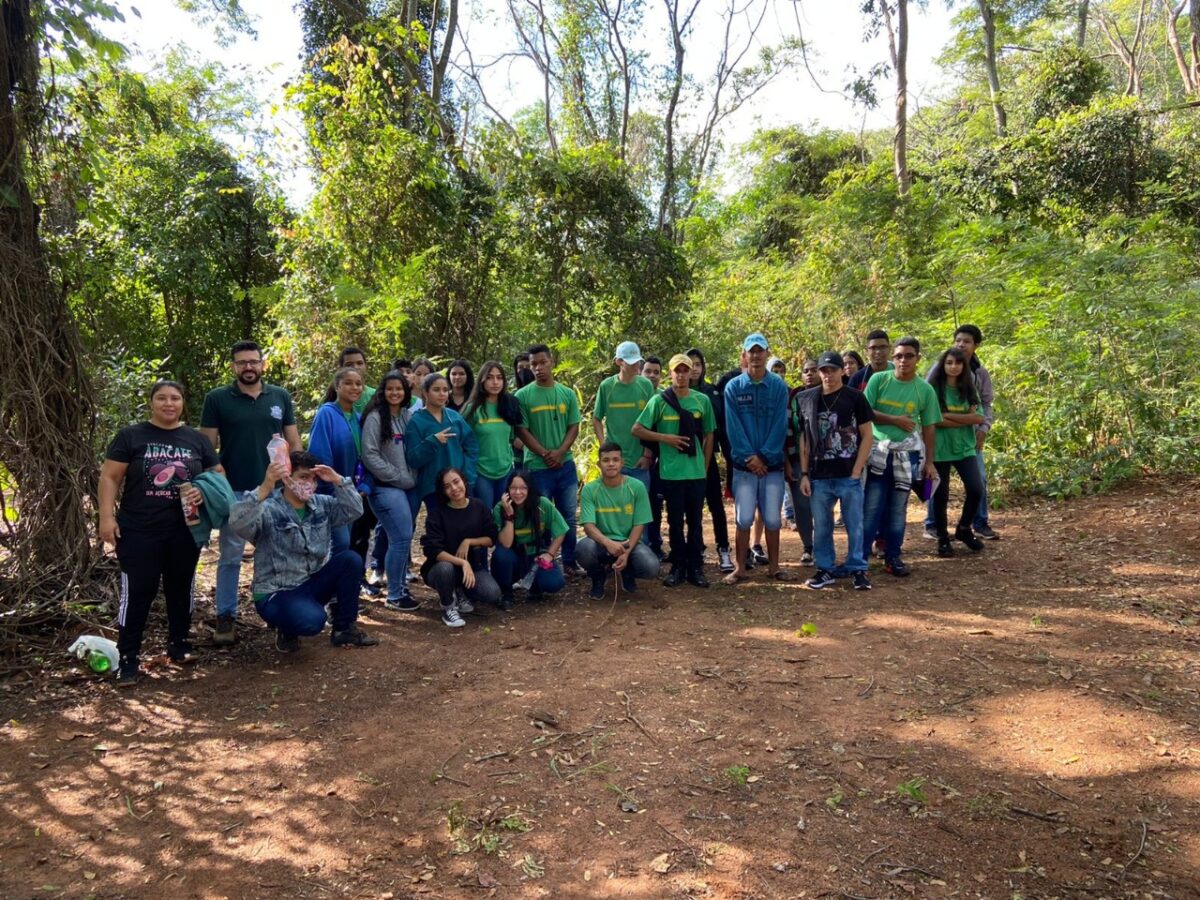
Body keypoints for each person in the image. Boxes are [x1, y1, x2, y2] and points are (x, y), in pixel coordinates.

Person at [99, 380, 225, 686]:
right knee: (138, 591)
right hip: (139, 529)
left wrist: (201, 490)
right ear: (151, 403)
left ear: (183, 403)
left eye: (175, 398)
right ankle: (128, 657)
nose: (169, 404)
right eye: (162, 398)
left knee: (181, 587)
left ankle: (179, 644)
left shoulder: (195, 439)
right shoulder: (132, 435)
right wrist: (106, 518)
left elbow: (217, 475)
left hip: (186, 529)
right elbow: (110, 476)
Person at [199, 340, 301, 646]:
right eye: (242, 362)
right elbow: (206, 447)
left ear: (262, 364)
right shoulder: (217, 399)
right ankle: (225, 617)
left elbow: (293, 441)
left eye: (253, 362)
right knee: (230, 555)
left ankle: (284, 618)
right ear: (233, 366)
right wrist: (219, 480)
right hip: (236, 492)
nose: (248, 367)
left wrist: (295, 477)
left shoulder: (279, 396)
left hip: (276, 490)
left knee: (280, 553)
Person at [228, 451, 378, 651]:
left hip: (310, 584)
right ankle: (286, 627)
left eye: (313, 478)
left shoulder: (321, 504)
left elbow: (354, 511)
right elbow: (238, 523)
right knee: (313, 621)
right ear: (287, 478)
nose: (310, 483)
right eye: (303, 477)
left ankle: (344, 630)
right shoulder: (269, 508)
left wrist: (339, 480)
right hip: (277, 592)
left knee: (351, 560)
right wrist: (265, 487)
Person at [793, 353, 875, 591]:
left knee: (854, 524)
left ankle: (858, 569)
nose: (827, 375)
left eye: (832, 370)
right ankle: (825, 568)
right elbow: (805, 439)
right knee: (822, 525)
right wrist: (805, 473)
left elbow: (867, 435)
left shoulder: (855, 398)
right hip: (819, 475)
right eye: (823, 371)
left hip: (848, 474)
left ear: (842, 371)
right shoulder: (808, 399)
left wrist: (857, 470)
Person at [632, 353, 715, 588]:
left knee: (696, 521)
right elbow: (637, 429)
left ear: (691, 373)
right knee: (675, 521)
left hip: (696, 472)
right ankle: (678, 565)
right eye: (677, 370)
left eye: (685, 370)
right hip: (671, 472)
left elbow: (709, 434)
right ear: (670, 373)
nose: (681, 375)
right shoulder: (659, 401)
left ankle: (695, 566)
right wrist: (664, 438)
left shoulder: (702, 401)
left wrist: (705, 466)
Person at [861, 337, 942, 576]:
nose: (903, 360)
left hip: (907, 456)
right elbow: (864, 412)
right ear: (892, 358)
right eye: (898, 356)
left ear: (918, 358)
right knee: (871, 507)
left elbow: (929, 427)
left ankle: (893, 557)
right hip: (877, 452)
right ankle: (859, 558)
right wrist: (895, 420)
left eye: (908, 356)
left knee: (898, 508)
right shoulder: (879, 380)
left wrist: (929, 462)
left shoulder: (924, 389)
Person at [722, 333, 790, 583]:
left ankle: (774, 568)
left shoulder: (778, 386)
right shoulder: (734, 388)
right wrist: (750, 457)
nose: (756, 355)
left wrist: (765, 456)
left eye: (760, 350)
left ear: (767, 353)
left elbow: (780, 425)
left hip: (772, 467)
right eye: (752, 351)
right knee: (744, 518)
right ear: (745, 354)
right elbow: (733, 427)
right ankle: (739, 568)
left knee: (772, 518)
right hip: (744, 468)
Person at [923, 325, 998, 540]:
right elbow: (930, 410)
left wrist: (983, 427)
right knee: (936, 485)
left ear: (976, 346)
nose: (961, 345)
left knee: (979, 482)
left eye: (966, 341)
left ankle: (978, 523)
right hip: (938, 442)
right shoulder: (937, 371)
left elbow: (985, 406)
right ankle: (932, 525)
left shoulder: (978, 374)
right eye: (958, 340)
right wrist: (960, 420)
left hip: (969, 439)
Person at [515, 344, 583, 575]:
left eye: (542, 362)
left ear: (551, 362)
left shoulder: (567, 393)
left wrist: (561, 451)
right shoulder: (522, 396)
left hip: (565, 465)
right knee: (540, 517)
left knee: (568, 516)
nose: (538, 368)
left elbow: (574, 425)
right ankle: (544, 562)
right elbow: (522, 430)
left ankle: (570, 561)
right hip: (536, 467)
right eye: (534, 364)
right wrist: (545, 453)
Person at [360, 371, 419, 611]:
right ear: (382, 391)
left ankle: (398, 588)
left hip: (407, 487)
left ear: (406, 392)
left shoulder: (406, 416)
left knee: (402, 538)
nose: (395, 393)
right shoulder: (376, 417)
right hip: (385, 488)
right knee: (401, 537)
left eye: (400, 389)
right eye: (390, 388)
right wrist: (398, 477)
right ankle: (395, 594)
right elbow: (369, 455)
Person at [577, 442, 660, 598]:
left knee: (651, 566)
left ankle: (627, 571)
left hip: (628, 543)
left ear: (622, 463)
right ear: (599, 464)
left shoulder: (636, 487)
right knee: (583, 549)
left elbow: (639, 524)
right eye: (606, 460)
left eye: (615, 460)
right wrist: (608, 543)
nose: (611, 464)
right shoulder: (590, 489)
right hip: (601, 544)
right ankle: (598, 576)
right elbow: (588, 526)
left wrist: (626, 553)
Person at [420, 467, 502, 627]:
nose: (454, 488)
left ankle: (460, 590)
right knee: (445, 569)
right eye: (447, 486)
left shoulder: (479, 506)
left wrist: (469, 541)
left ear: (464, 481)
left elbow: (491, 538)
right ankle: (448, 607)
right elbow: (433, 550)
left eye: (456, 482)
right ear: (443, 491)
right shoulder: (437, 514)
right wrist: (463, 563)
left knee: (492, 593)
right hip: (441, 568)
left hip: (472, 568)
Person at [927, 348, 987, 557]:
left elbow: (979, 418)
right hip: (939, 449)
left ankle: (964, 529)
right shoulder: (933, 389)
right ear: (943, 365)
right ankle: (943, 538)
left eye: (958, 363)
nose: (954, 366)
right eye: (949, 362)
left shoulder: (968, 389)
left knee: (976, 488)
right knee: (940, 496)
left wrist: (947, 416)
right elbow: (932, 420)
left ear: (964, 366)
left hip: (965, 448)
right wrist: (962, 418)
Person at [307, 367, 367, 560]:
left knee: (346, 541)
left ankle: (336, 587)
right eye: (348, 383)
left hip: (351, 493)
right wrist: (331, 488)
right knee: (338, 542)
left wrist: (364, 485)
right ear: (337, 386)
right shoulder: (326, 414)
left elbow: (364, 457)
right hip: (331, 494)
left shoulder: (358, 418)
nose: (354, 387)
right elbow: (319, 455)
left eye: (358, 384)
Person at [491, 471, 568, 609]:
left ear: (530, 488)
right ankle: (506, 593)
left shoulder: (542, 504)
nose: (518, 492)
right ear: (507, 490)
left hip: (536, 554)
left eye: (523, 488)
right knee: (501, 556)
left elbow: (561, 530)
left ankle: (535, 586)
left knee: (554, 583)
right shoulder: (500, 508)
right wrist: (509, 516)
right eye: (513, 488)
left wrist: (550, 554)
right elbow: (506, 543)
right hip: (512, 556)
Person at [686, 347, 733, 573]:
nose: (694, 369)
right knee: (692, 508)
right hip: (684, 460)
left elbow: (719, 427)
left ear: (703, 367)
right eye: (690, 364)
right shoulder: (675, 393)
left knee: (716, 506)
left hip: (707, 458)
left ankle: (724, 549)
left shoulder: (712, 393)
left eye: (697, 365)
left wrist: (727, 454)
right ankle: (697, 549)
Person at [406, 373, 479, 515]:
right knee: (440, 528)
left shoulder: (455, 417)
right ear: (425, 392)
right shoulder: (416, 421)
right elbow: (413, 459)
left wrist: (468, 475)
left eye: (445, 390)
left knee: (463, 525)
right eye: (436, 390)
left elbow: (472, 447)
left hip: (459, 485)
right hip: (433, 487)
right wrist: (433, 441)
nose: (442, 394)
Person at [593, 341, 655, 491]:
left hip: (639, 461)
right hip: (614, 462)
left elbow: (653, 421)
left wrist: (647, 455)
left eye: (638, 362)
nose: (636, 366)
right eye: (631, 362)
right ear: (619, 362)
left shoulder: (645, 385)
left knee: (639, 508)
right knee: (615, 507)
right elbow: (596, 419)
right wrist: (604, 447)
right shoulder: (607, 386)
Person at [462, 360, 523, 510]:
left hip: (505, 469)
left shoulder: (508, 405)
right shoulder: (473, 409)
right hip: (481, 472)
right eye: (489, 378)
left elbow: (512, 438)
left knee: (504, 513)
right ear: (482, 380)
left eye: (499, 377)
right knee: (486, 515)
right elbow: (461, 442)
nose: (495, 382)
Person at [781, 358, 821, 565]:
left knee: (822, 505)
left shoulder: (827, 394)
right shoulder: (793, 396)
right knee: (801, 506)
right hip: (796, 458)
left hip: (823, 461)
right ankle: (808, 547)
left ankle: (823, 547)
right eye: (806, 371)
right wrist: (786, 462)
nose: (810, 374)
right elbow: (785, 430)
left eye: (814, 370)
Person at [638, 354, 665, 557]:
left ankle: (655, 544)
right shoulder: (636, 394)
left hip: (663, 460)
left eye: (656, 372)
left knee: (656, 504)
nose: (652, 376)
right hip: (639, 460)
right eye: (648, 371)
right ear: (640, 371)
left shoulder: (666, 397)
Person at [339, 347, 376, 414]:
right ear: (341, 369)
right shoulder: (332, 398)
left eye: (359, 363)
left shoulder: (375, 395)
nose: (355, 367)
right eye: (349, 364)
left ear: (366, 366)